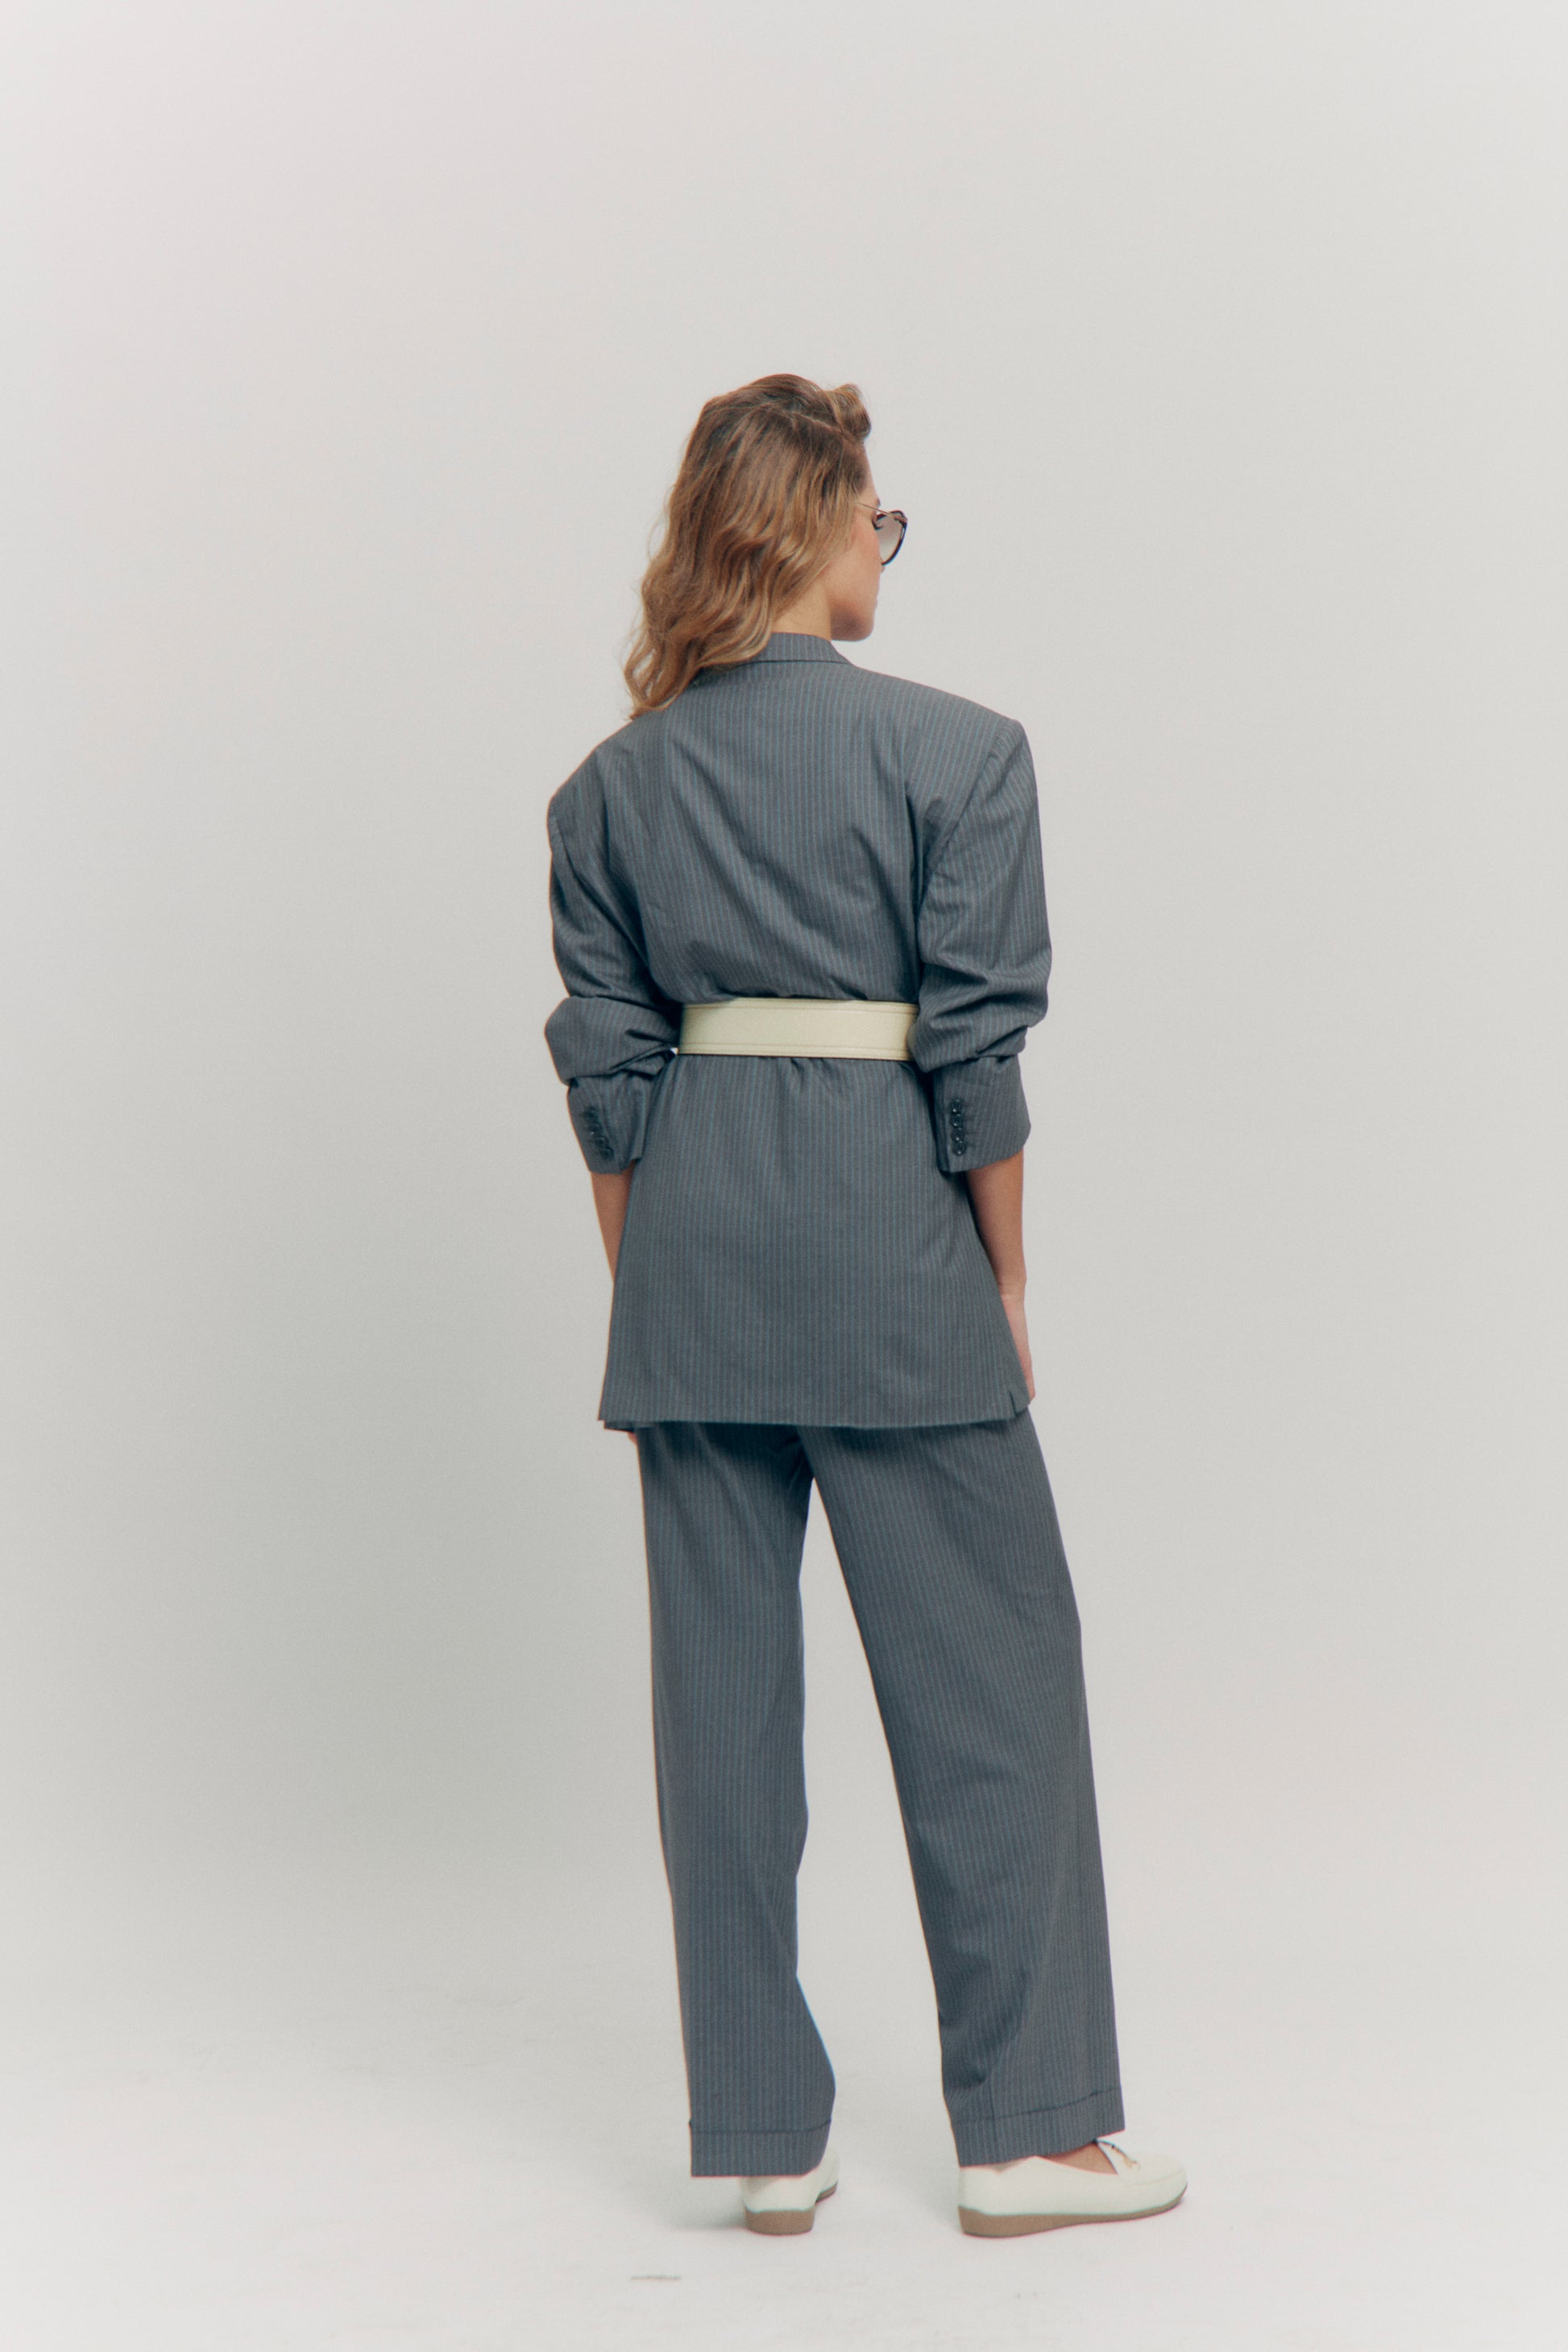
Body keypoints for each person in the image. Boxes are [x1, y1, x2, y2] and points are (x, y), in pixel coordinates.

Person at [544, 373, 1186, 2238]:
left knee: (721, 1719)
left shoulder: (605, 791)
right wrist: (1005, 1275)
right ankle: (1027, 2132)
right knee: (998, 1680)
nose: (881, 550)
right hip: (896, 1267)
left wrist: (665, 1289)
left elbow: (611, 1084)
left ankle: (763, 2134)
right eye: (875, 520)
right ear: (815, 526)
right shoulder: (959, 754)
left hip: (691, 1278)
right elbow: (974, 1061)